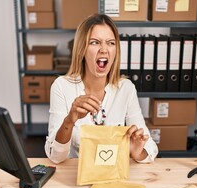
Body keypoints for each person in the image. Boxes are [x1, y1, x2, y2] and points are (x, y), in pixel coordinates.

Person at [45, 13, 158, 164]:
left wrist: (136, 152)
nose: (104, 49)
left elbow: (150, 150)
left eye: (111, 43)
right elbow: (55, 157)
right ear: (82, 49)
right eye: (95, 42)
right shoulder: (61, 86)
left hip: (111, 175)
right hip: (74, 176)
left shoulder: (126, 88)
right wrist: (69, 121)